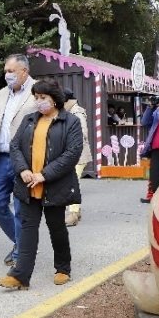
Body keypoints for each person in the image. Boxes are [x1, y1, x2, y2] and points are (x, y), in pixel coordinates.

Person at [0, 79, 83, 290]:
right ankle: (20, 276)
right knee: (27, 229)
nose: (39, 102)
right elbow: (15, 146)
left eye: (43, 98)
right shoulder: (29, 119)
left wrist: (43, 175)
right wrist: (24, 170)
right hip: (28, 185)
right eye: (36, 98)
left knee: (56, 228)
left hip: (54, 185)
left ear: (55, 99)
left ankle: (63, 268)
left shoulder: (70, 122)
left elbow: (72, 154)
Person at [0, 54, 38, 267]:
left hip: (24, 160)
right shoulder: (1, 94)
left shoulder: (37, 92)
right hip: (1, 159)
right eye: (5, 71)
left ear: (24, 71)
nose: (7, 75)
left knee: (20, 208)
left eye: (11, 71)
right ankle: (21, 243)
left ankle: (20, 255)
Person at [63, 88, 92, 226]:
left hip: (78, 154)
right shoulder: (69, 112)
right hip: (71, 154)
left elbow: (82, 135)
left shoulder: (77, 112)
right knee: (71, 183)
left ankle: (73, 214)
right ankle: (76, 211)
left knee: (72, 184)